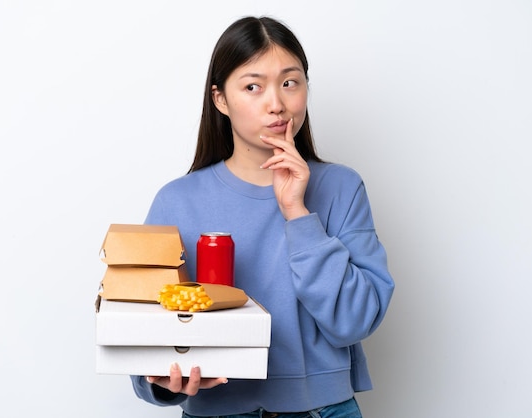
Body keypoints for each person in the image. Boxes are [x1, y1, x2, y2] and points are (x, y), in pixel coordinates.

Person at [130, 15, 394, 418]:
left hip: (323, 410)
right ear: (220, 99)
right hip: (216, 411)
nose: (277, 104)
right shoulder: (176, 202)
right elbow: (142, 334)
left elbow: (353, 321)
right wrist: (163, 385)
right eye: (253, 87)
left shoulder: (342, 188)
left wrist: (297, 213)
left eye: (290, 82)